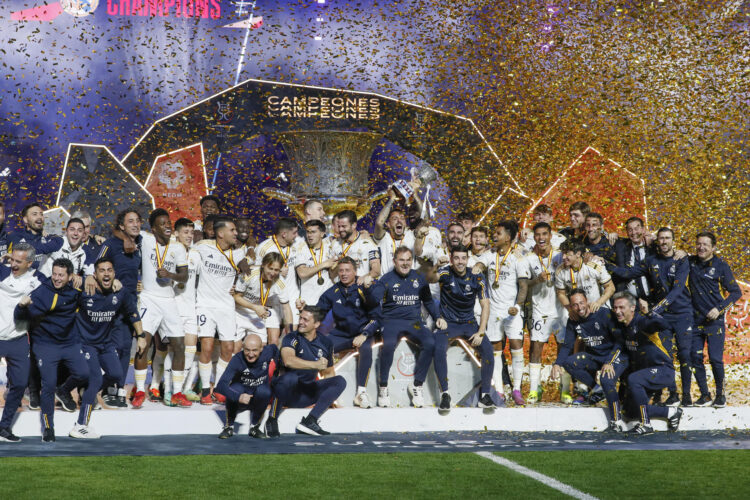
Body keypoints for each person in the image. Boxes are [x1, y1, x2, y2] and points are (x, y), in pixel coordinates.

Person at [608, 227, 693, 406]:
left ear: (673, 240)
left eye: (667, 238)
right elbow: (628, 273)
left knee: (685, 355)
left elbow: (677, 291)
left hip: (682, 314)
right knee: (664, 355)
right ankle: (671, 394)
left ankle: (687, 396)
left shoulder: (682, 259)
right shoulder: (651, 260)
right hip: (663, 316)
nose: (664, 242)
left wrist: (655, 311)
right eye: (661, 238)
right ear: (657, 241)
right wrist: (605, 264)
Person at [65, 257, 146, 439]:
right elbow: (61, 283)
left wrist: (141, 336)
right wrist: (83, 279)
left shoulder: (120, 292)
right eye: (102, 270)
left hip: (106, 343)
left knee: (116, 375)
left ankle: (66, 389)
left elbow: (133, 313)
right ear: (95, 274)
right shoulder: (86, 290)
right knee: (94, 381)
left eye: (109, 270)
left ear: (114, 273)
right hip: (85, 343)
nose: (106, 273)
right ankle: (80, 425)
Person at [14, 258, 88, 442]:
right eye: (54, 274)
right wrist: (21, 307)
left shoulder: (75, 288)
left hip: (69, 343)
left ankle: (63, 390)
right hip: (46, 345)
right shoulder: (42, 293)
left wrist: (90, 278)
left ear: (70, 276)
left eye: (61, 275)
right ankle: (48, 427)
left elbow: (94, 285)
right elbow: (20, 316)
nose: (56, 278)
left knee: (84, 373)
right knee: (48, 385)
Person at [366, 246, 439, 408]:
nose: (405, 264)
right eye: (401, 260)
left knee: (431, 343)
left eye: (408, 260)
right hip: (391, 321)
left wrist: (438, 317)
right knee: (389, 345)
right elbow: (373, 300)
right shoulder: (386, 279)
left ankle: (417, 386)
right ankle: (383, 387)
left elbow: (428, 301)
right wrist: (370, 289)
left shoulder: (419, 277)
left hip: (414, 322)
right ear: (394, 261)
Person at [132, 209, 189, 409]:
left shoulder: (178, 248)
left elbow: (185, 276)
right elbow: (124, 233)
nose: (167, 227)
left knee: (179, 345)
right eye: (162, 224)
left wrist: (170, 275)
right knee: (143, 344)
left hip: (169, 300)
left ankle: (178, 392)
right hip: (148, 298)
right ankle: (139, 390)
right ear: (154, 228)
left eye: (169, 223)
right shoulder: (146, 240)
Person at [551, 289, 628, 431]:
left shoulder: (603, 314)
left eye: (581, 303)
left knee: (606, 379)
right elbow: (567, 345)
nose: (579, 308)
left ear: (587, 301)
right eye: (575, 305)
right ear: (571, 306)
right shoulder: (573, 320)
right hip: (595, 357)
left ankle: (616, 422)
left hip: (615, 356)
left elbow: (620, 341)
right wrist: (557, 364)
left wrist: (609, 362)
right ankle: (597, 389)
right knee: (569, 362)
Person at [309, 256, 379, 408]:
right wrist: (304, 309)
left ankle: (361, 393)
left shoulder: (365, 287)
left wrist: (365, 334)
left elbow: (377, 317)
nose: (344, 274)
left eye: (348, 270)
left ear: (355, 271)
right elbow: (317, 313)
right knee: (320, 349)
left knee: (366, 347)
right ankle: (324, 392)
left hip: (362, 333)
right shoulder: (332, 292)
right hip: (340, 334)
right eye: (341, 271)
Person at [265, 306, 346, 437]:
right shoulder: (291, 338)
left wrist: (331, 400)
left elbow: (329, 373)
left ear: (316, 324)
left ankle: (310, 421)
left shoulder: (325, 343)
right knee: (290, 378)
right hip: (285, 393)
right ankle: (272, 420)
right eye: (300, 318)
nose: (301, 322)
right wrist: (315, 364)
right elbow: (288, 361)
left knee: (340, 381)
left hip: (306, 394)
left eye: (305, 320)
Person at [89, 208, 142, 408]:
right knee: (112, 347)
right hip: (110, 304)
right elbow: (98, 266)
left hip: (130, 304)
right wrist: (110, 284)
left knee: (126, 347)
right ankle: (99, 387)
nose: (135, 224)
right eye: (130, 221)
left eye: (137, 220)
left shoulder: (139, 245)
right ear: (121, 226)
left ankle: (117, 388)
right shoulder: (111, 244)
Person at [433, 245, 495, 412]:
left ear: (468, 259)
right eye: (456, 258)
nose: (460, 262)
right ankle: (445, 394)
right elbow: (430, 279)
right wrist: (435, 267)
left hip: (469, 323)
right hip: (448, 322)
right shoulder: (445, 272)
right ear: (451, 259)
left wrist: (481, 331)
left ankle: (485, 396)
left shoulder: (477, 276)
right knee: (438, 348)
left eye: (463, 258)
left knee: (488, 350)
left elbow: (485, 305)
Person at [612, 292, 683, 434]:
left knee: (634, 379)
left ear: (632, 308)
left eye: (621, 307)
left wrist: (649, 312)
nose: (618, 311)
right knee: (631, 412)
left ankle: (646, 424)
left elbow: (664, 324)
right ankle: (671, 412)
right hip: (645, 375)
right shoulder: (624, 327)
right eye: (615, 308)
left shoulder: (642, 322)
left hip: (662, 370)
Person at [194, 216, 247, 404]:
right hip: (205, 305)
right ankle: (206, 390)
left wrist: (241, 278)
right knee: (206, 348)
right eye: (232, 230)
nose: (236, 233)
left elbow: (247, 267)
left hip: (226, 306)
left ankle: (219, 387)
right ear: (220, 233)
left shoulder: (240, 253)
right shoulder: (202, 247)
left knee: (228, 348)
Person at [688, 232, 741, 407]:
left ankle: (720, 395)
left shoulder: (721, 266)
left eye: (705, 244)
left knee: (715, 359)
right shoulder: (691, 263)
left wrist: (718, 309)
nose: (701, 247)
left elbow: (736, 292)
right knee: (694, 358)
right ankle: (705, 395)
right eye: (698, 244)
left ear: (713, 248)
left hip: (714, 321)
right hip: (695, 321)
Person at [517, 222, 567, 404]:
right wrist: (536, 280)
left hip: (561, 309)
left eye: (544, 234)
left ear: (550, 235)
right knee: (536, 348)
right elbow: (523, 284)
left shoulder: (561, 255)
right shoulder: (528, 258)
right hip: (539, 309)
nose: (541, 238)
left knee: (563, 348)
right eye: (537, 235)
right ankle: (533, 389)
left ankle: (565, 388)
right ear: (534, 237)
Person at [478, 221, 525, 405]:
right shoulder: (490, 254)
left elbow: (523, 286)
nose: (494, 236)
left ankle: (517, 389)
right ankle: (499, 389)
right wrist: (478, 267)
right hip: (494, 309)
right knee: (495, 348)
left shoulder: (518, 258)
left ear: (508, 237)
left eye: (498, 233)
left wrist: (518, 306)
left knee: (516, 345)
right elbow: (481, 263)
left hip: (512, 309)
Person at [0, 243, 43, 442]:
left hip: (18, 339)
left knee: (19, 383)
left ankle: (4, 427)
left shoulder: (36, 280)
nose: (13, 264)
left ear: (30, 263)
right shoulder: (2, 271)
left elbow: (56, 284)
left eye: (18, 261)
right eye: (12, 260)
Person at [216, 334, 279, 439]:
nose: (250, 354)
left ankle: (254, 427)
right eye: (247, 350)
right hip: (241, 395)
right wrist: (238, 397)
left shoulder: (268, 352)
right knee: (235, 388)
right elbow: (220, 386)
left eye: (254, 350)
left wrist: (279, 369)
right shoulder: (237, 359)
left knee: (265, 391)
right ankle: (229, 426)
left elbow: (275, 349)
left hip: (259, 394)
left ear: (261, 349)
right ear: (242, 348)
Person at [234, 252, 292, 346]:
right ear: (263, 265)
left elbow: (286, 308)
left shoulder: (279, 282)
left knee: (261, 347)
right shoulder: (249, 274)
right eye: (270, 268)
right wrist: (255, 307)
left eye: (276, 270)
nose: (273, 273)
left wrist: (291, 333)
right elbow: (236, 297)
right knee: (236, 348)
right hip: (239, 312)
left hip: (257, 314)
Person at [254, 217, 301, 328]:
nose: (296, 236)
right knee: (273, 337)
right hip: (272, 298)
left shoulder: (296, 246)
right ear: (284, 234)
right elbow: (257, 274)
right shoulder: (264, 248)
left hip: (291, 297)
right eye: (294, 233)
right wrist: (278, 272)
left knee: (292, 333)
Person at [173, 218, 201, 401]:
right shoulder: (168, 252)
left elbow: (198, 282)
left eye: (191, 232)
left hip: (190, 307)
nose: (189, 236)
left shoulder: (196, 255)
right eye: (185, 232)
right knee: (173, 349)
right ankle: (166, 388)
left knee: (191, 347)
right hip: (172, 306)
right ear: (176, 233)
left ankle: (183, 388)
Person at [295, 220, 337, 321]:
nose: (309, 235)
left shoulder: (330, 246)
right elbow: (302, 273)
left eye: (313, 232)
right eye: (308, 232)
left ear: (322, 233)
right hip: (308, 302)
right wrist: (323, 265)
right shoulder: (301, 248)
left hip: (328, 301)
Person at [6, 203, 63, 268]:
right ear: (26, 219)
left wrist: (26, 253)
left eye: (41, 214)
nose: (39, 217)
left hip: (41, 277)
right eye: (34, 214)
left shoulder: (47, 237)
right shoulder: (14, 236)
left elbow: (60, 241)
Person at [331, 210, 381, 282]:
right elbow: (331, 274)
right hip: (339, 290)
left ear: (354, 225)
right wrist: (340, 264)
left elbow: (376, 270)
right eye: (339, 226)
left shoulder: (367, 243)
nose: (340, 229)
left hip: (359, 288)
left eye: (344, 226)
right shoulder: (335, 244)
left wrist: (362, 279)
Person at [374, 190, 415, 275]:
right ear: (388, 224)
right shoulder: (384, 238)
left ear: (405, 224)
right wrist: (392, 199)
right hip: (388, 285)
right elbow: (379, 223)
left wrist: (415, 194)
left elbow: (424, 219)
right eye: (395, 219)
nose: (399, 220)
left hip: (408, 284)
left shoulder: (411, 235)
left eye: (402, 218)